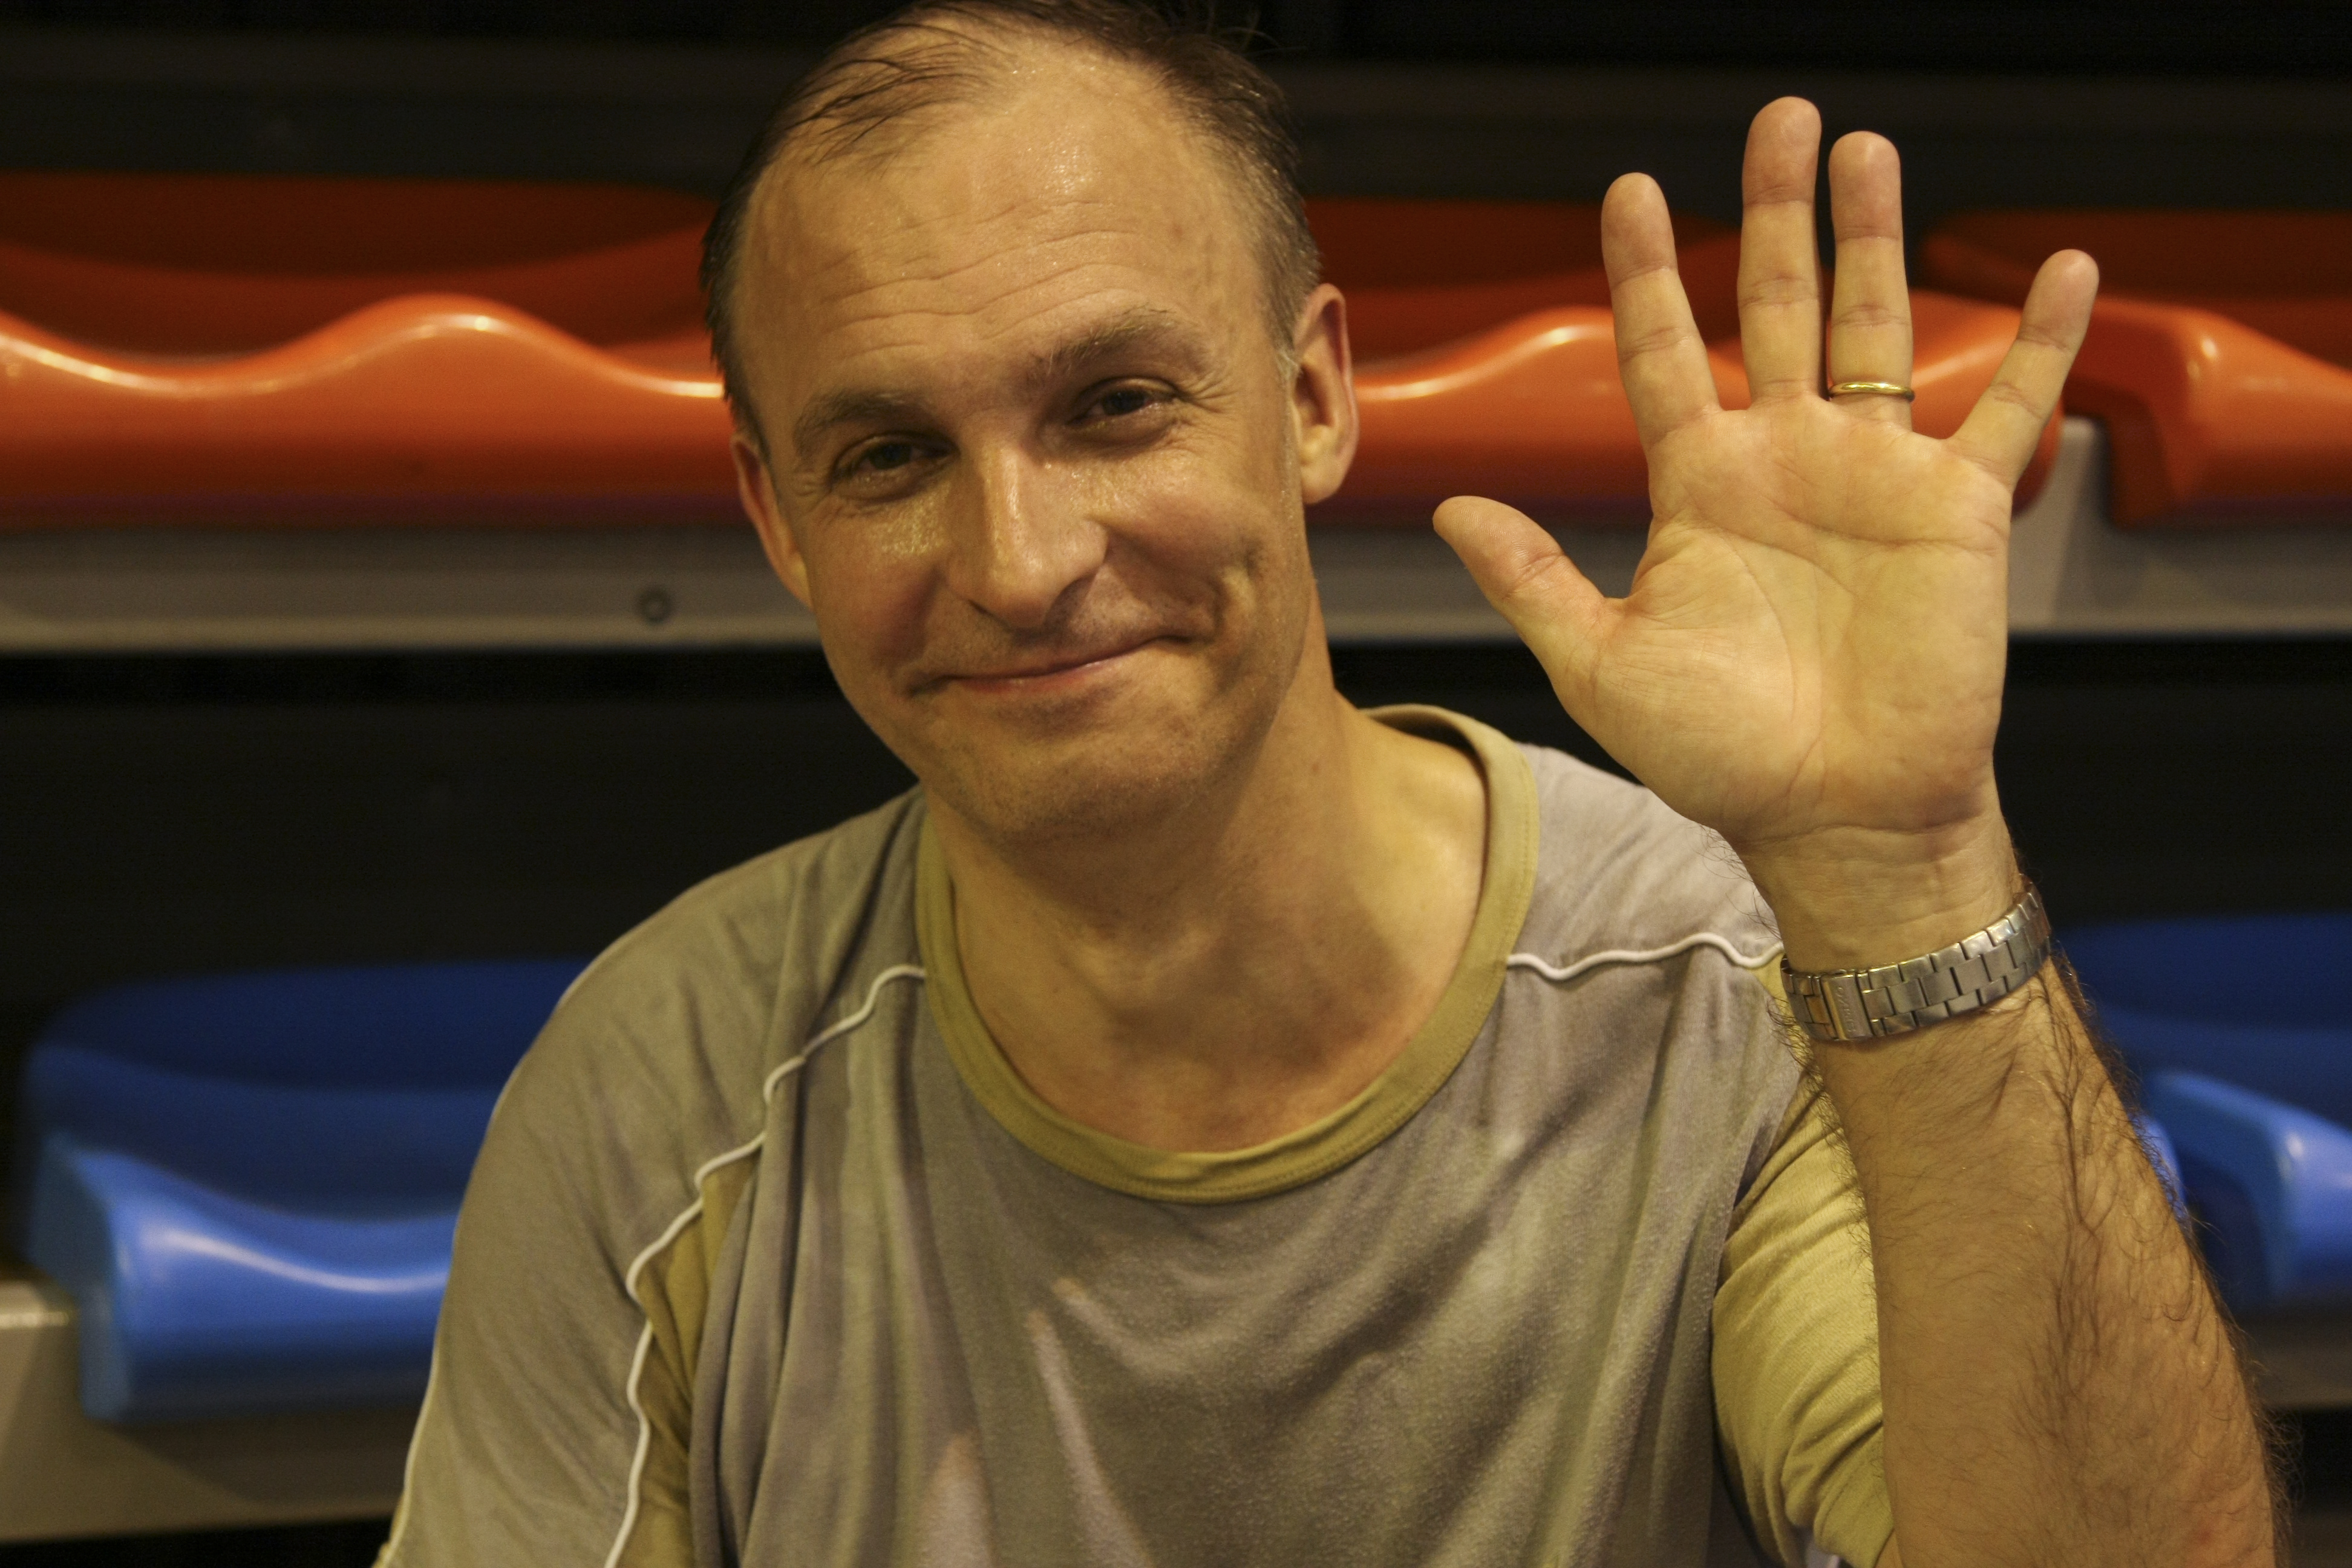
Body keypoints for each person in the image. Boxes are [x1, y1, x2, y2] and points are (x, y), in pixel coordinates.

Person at [377, 4, 2276, 1564]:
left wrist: (1908, 869)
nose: (1020, 560)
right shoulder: (665, 1087)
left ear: (1311, 398)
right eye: (889, 456)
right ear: (777, 519)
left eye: (1115, 404)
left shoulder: (1735, 995)